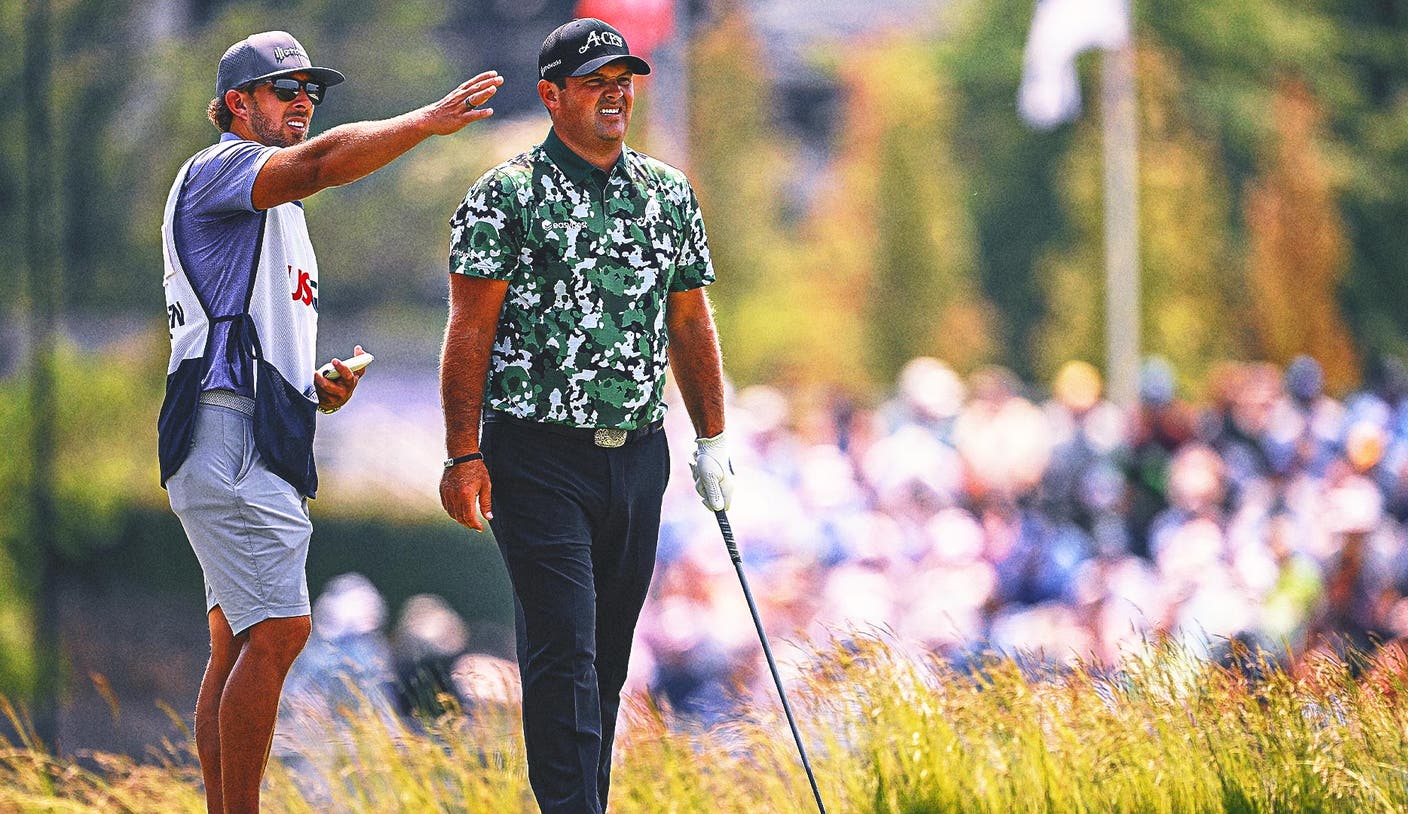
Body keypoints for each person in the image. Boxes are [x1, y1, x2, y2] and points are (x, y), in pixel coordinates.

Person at [159, 31, 500, 814]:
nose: (303, 100)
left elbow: (237, 329)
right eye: (284, 90)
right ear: (237, 106)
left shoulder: (275, 209)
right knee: (280, 632)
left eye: (311, 89)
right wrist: (425, 121)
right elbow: (318, 164)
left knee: (238, 643)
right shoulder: (223, 167)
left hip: (243, 428)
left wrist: (313, 390)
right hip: (230, 434)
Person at [438, 17, 732, 814]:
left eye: (624, 79)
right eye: (597, 81)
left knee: (604, 660)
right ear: (552, 95)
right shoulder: (507, 195)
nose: (616, 93)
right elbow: (470, 331)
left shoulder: (667, 194)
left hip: (635, 456)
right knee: (563, 647)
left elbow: (689, 322)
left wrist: (712, 437)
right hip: (535, 454)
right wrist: (463, 454)